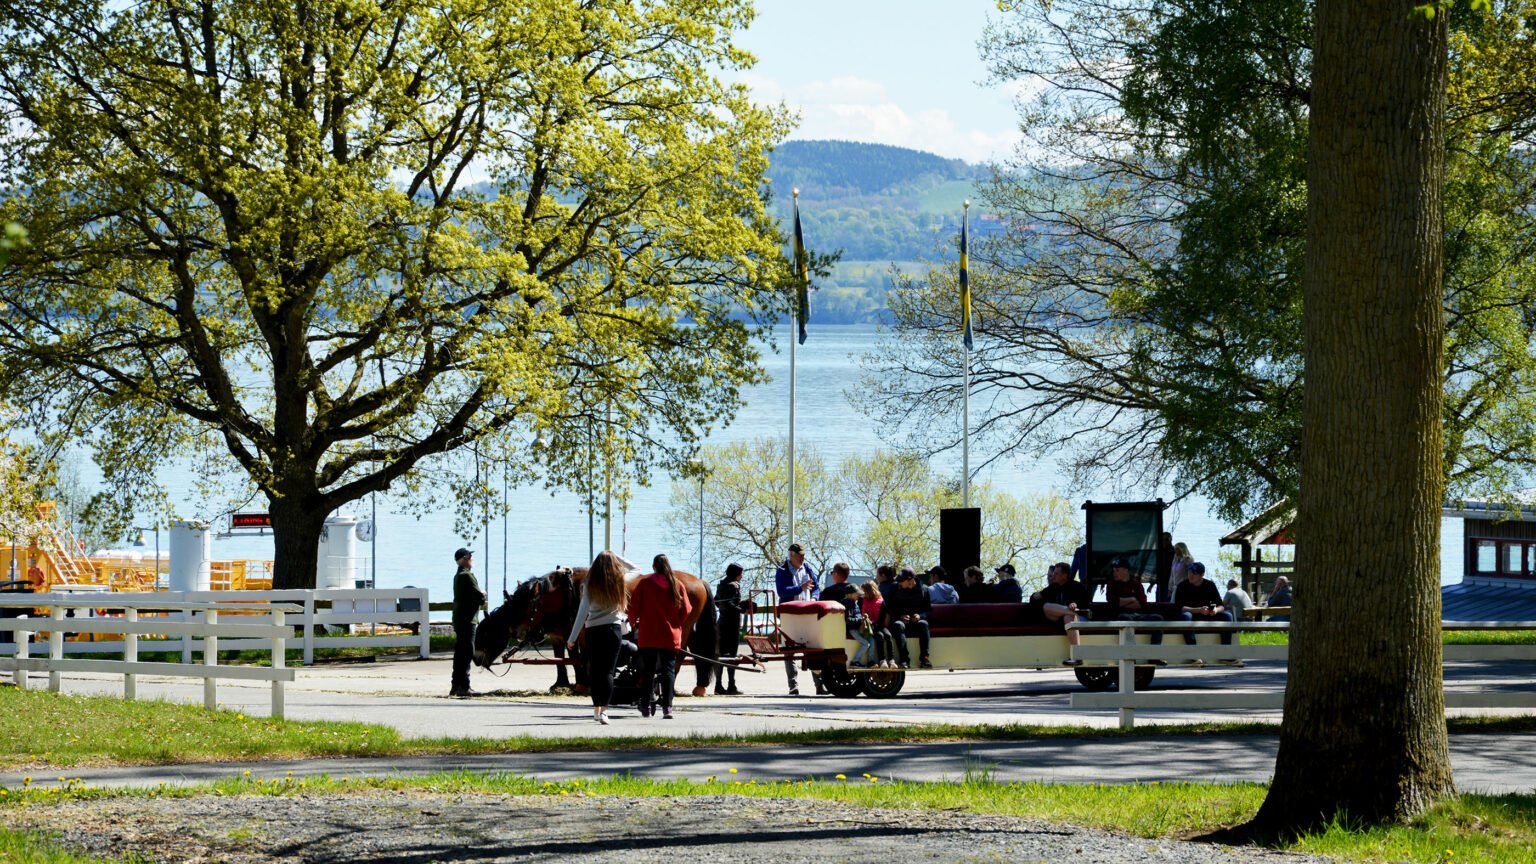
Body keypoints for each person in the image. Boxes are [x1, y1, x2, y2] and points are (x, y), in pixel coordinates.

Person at [626, 553, 693, 718]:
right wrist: (677, 623)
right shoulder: (677, 585)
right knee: (668, 671)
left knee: (648, 670)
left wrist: (633, 622)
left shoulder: (645, 584)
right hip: (670, 635)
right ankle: (667, 707)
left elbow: (633, 607)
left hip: (648, 633)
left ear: (654, 567)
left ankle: (647, 705)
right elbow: (687, 609)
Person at [568, 550, 629, 724]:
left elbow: (582, 612)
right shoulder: (619, 580)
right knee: (608, 671)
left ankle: (595, 709)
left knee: (595, 671)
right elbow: (636, 569)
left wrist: (572, 638)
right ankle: (604, 711)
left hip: (593, 631)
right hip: (613, 630)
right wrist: (617, 557)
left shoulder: (589, 584)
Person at [774, 543, 822, 695]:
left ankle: (819, 686)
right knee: (790, 651)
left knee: (814, 648)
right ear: (791, 555)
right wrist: (800, 588)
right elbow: (782, 591)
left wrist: (814, 599)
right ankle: (793, 686)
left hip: (808, 613)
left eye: (803, 555)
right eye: (800, 555)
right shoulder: (782, 571)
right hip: (789, 615)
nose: (803, 558)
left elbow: (816, 587)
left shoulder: (807, 568)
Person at [1106, 556, 1165, 663]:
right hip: (1120, 616)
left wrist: (1122, 602)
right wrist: (1132, 599)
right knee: (1125, 619)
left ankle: (1154, 656)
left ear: (1126, 570)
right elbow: (1113, 602)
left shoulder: (1136, 584)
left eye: (1117, 570)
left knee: (1158, 618)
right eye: (1114, 570)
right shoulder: (1111, 585)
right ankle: (1131, 655)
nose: (1114, 573)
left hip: (1138, 615)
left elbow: (1142, 604)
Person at [1173, 562, 1234, 664]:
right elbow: (1180, 608)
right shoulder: (1182, 586)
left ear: (1201, 575)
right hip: (1192, 616)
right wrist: (1198, 609)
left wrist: (1215, 610)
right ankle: (1194, 655)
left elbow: (1221, 605)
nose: (1191, 575)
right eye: (1189, 572)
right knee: (1186, 616)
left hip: (1207, 615)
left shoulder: (1210, 585)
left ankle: (1225, 654)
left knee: (1227, 616)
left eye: (1194, 573)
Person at [1031, 562, 1091, 665]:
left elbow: (1085, 602)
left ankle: (1077, 656)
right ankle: (1068, 612)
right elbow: (1034, 600)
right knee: (1047, 607)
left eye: (1057, 573)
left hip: (1077, 619)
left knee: (1068, 617)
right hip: (1059, 619)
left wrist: (1075, 604)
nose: (1053, 576)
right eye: (1054, 573)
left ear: (1065, 575)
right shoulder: (1053, 587)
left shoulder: (1077, 586)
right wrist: (1036, 595)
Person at [822, 562, 874, 667]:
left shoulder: (827, 592)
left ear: (836, 574)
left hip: (831, 632)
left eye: (832, 572)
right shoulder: (856, 593)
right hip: (854, 628)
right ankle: (868, 661)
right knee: (869, 640)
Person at [449, 547, 485, 698]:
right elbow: (480, 598)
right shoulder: (467, 576)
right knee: (467, 652)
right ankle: (464, 686)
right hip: (468, 619)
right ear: (464, 559)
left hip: (459, 619)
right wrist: (483, 594)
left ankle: (455, 685)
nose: (472, 558)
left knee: (460, 652)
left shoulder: (458, 576)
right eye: (470, 556)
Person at [713, 563, 751, 695]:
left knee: (721, 655)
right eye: (741, 573)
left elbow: (717, 601)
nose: (742, 576)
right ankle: (731, 685)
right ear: (736, 574)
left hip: (721, 623)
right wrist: (742, 610)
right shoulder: (733, 585)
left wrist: (734, 606)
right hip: (731, 624)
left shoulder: (722, 585)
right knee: (732, 656)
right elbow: (728, 603)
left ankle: (718, 685)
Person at [886, 568, 933, 668]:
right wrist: (900, 616)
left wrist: (920, 616)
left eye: (901, 581)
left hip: (916, 622)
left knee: (924, 624)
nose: (899, 583)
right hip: (900, 622)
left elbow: (928, 610)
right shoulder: (894, 588)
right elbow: (889, 608)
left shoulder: (924, 589)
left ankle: (924, 658)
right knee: (898, 625)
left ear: (910, 580)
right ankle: (904, 659)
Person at [859, 580, 896, 667]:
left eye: (864, 591)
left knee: (888, 635)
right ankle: (882, 660)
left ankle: (891, 660)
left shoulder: (881, 601)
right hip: (870, 625)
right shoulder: (862, 601)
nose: (863, 594)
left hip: (879, 624)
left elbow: (884, 614)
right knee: (880, 636)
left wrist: (879, 623)